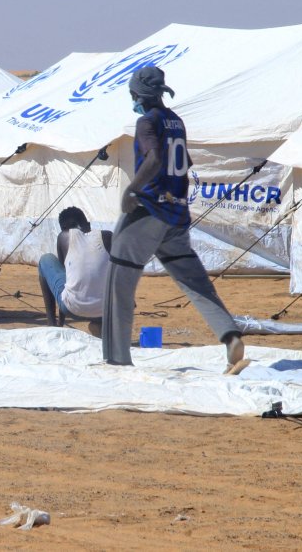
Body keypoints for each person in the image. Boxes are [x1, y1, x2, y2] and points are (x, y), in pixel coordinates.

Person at [101, 66, 247, 373]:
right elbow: (183, 163)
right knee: (195, 282)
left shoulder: (147, 122)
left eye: (132, 95)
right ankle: (229, 334)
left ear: (138, 94)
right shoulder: (176, 122)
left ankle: (117, 359)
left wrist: (131, 189)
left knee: (119, 282)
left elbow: (154, 159)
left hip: (148, 211)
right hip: (177, 214)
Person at [38, 206, 112, 336]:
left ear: (63, 228)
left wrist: (61, 321)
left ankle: (53, 326)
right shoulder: (107, 236)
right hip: (107, 310)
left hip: (73, 309)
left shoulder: (64, 237)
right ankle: (101, 326)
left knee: (46, 260)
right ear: (88, 224)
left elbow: (67, 279)